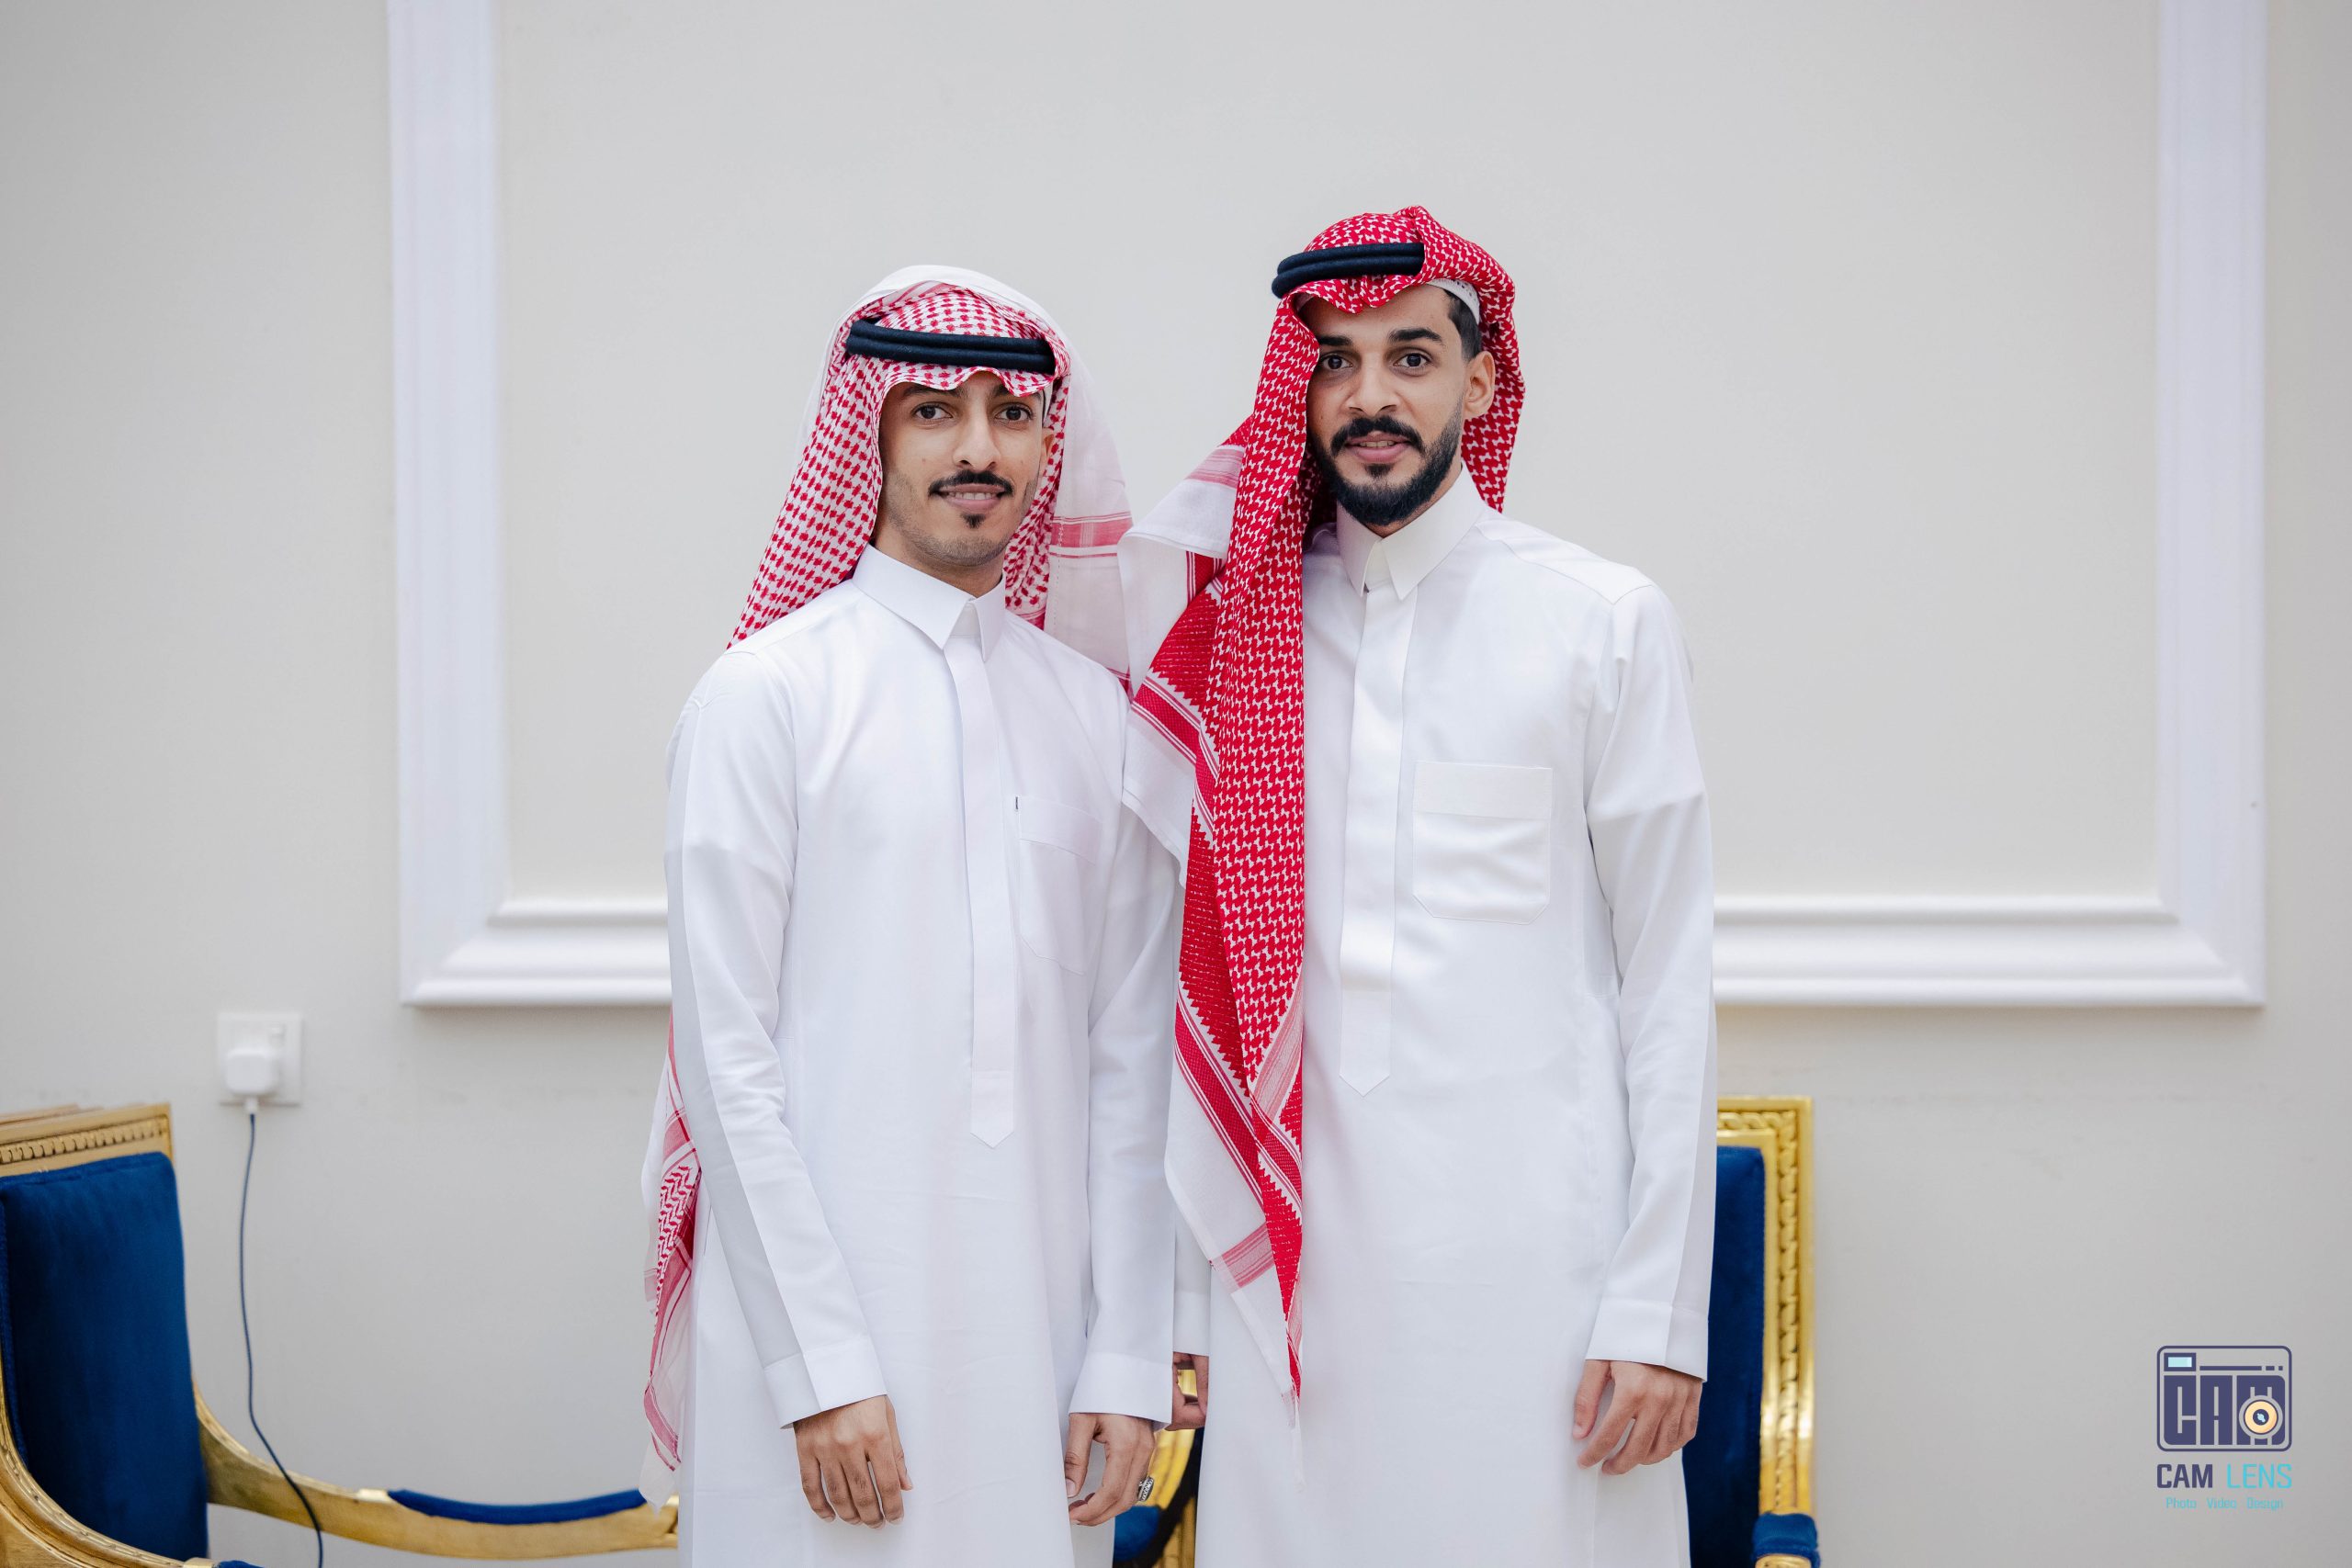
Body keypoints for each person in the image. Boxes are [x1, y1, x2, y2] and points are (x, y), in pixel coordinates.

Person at [1121, 208, 1719, 1566]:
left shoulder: (1599, 622)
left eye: (1410, 356)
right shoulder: (1241, 636)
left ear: (1482, 381)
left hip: (1545, 1284)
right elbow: (1187, 991)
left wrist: (1658, 1311)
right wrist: (1175, 1307)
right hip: (1298, 1293)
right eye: (1334, 360)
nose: (1369, 395)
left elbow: (1667, 987)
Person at [639, 267, 1181, 1567]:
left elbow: (1130, 1061)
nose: (978, 449)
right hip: (815, 1358)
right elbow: (727, 1066)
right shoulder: (764, 699)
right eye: (935, 411)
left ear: (1049, 444)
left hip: (1039, 1348)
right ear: (867, 434)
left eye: (1011, 414)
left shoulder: (1098, 719)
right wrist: (819, 1368)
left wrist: (1124, 1353)